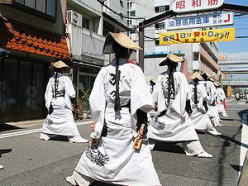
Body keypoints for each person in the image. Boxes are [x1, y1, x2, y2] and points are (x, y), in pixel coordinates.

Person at [66, 32, 161, 186]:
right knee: (137, 152)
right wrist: (143, 122)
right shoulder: (134, 70)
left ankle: (80, 178)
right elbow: (142, 99)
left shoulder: (104, 71)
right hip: (127, 117)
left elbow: (96, 99)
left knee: (101, 148)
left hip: (108, 116)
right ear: (127, 51)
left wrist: (98, 122)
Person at [147, 54, 212, 158]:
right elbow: (187, 95)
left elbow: (154, 95)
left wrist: (152, 108)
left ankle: (146, 145)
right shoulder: (181, 76)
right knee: (188, 130)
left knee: (152, 128)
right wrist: (187, 108)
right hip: (177, 113)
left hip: (163, 113)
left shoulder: (160, 77)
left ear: (167, 65)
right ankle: (197, 151)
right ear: (176, 65)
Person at [40, 60, 88, 143]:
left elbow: (47, 93)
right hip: (62, 101)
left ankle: (45, 134)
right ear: (62, 69)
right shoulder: (65, 79)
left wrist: (48, 104)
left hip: (53, 102)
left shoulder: (51, 79)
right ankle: (73, 136)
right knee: (68, 118)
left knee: (52, 118)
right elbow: (72, 94)